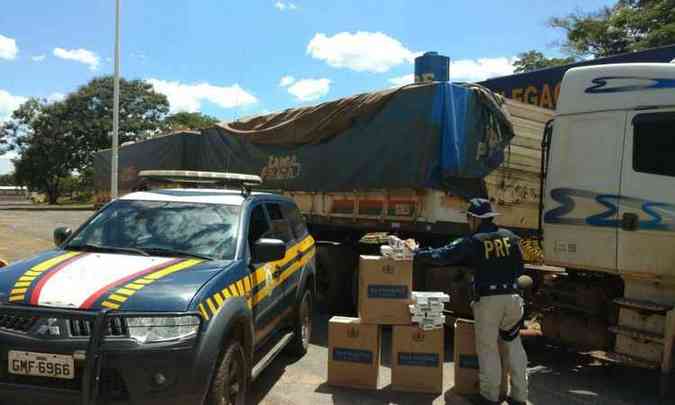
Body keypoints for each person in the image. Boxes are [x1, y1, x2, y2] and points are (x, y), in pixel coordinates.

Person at [415, 198, 528, 405]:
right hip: (513, 300)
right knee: (514, 347)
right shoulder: (511, 238)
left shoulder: (473, 241)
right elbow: (520, 269)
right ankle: (520, 397)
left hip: (489, 302)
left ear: (474, 219)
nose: (468, 222)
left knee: (488, 349)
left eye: (468, 218)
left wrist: (418, 253)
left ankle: (489, 396)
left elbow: (443, 255)